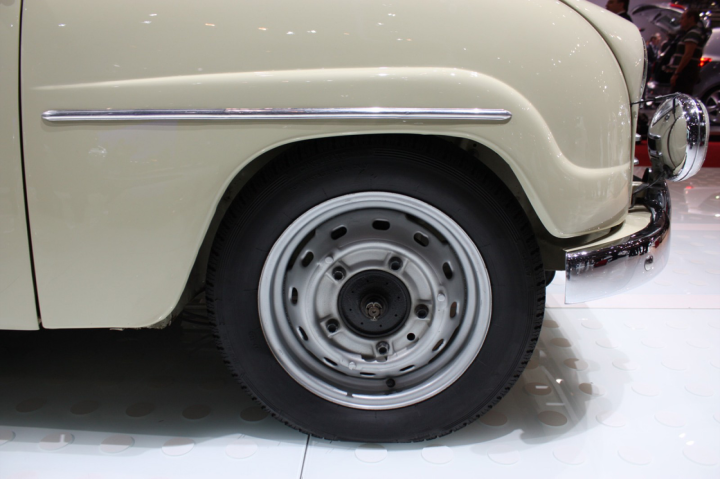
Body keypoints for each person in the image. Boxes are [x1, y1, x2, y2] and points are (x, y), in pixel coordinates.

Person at [668, 9, 709, 94]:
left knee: (679, 98)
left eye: (683, 18)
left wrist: (677, 73)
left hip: (685, 74)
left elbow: (688, 55)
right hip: (685, 73)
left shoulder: (693, 33)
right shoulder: (690, 33)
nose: (680, 21)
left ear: (691, 19)